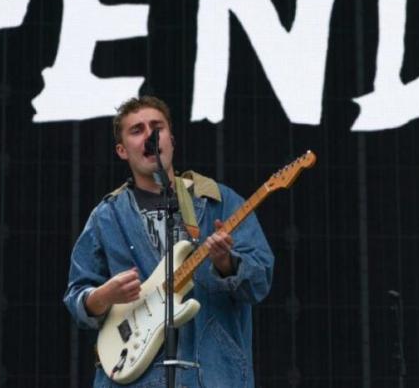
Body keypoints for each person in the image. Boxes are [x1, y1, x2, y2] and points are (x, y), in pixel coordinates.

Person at [63, 96, 274, 387]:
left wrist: (227, 263)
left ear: (170, 140)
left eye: (156, 127)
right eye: (137, 130)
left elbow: (261, 280)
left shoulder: (219, 202)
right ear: (122, 150)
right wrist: (102, 297)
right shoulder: (107, 217)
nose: (149, 135)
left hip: (213, 375)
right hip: (135, 375)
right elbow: (77, 295)